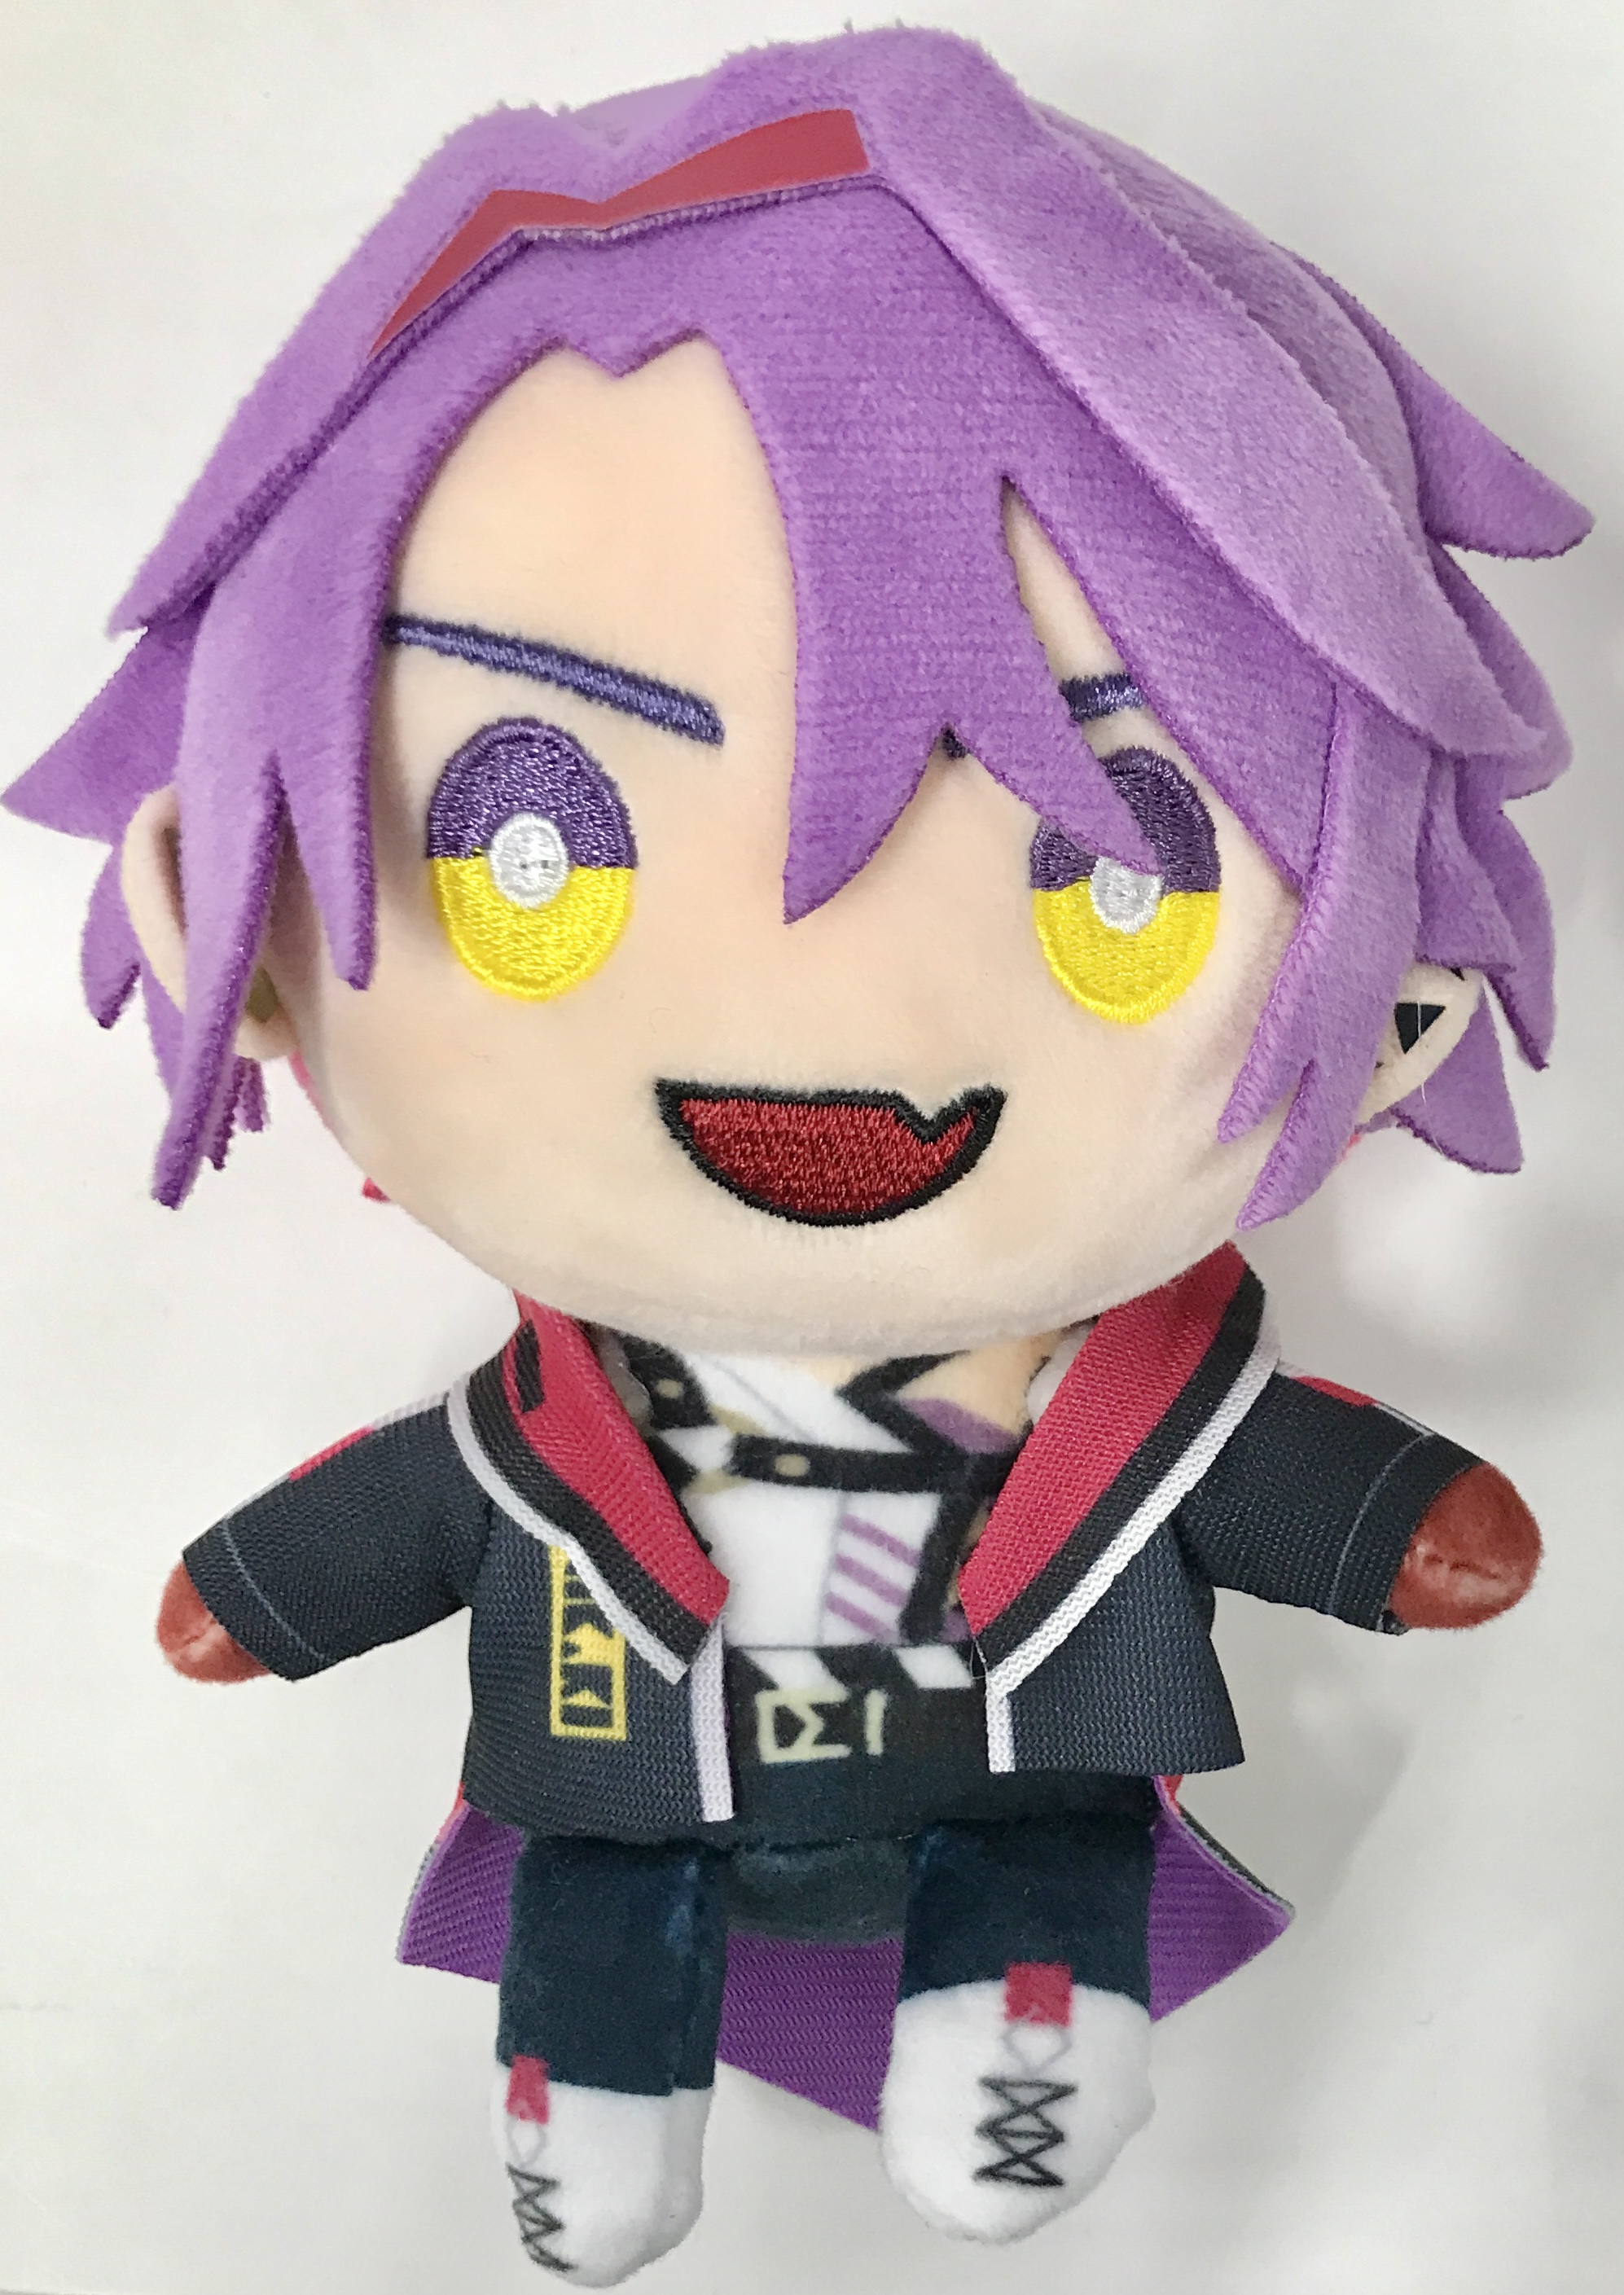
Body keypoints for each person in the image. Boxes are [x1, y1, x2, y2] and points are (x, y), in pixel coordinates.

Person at [4, 26, 1586, 2285]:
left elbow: (1272, 1472)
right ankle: (589, 2073)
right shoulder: (546, 1434)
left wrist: (1396, 1523)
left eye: (1117, 870)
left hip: (1020, 1777)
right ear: (236, 929)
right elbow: (406, 1509)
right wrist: (263, 1595)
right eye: (531, 843)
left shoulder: (1130, 1410)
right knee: (594, 1905)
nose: (824, 1009)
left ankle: (1019, 2018)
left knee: (1044, 1865)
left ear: (1388, 984)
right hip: (628, 1780)